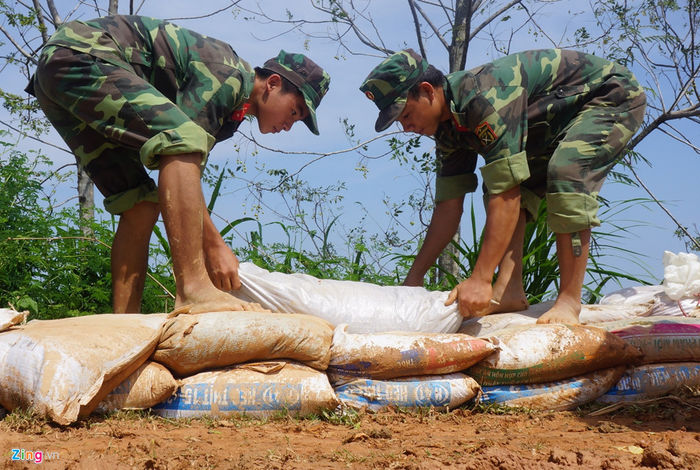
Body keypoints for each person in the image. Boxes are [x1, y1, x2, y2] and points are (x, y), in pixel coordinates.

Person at [27, 15, 330, 314]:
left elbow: (183, 175)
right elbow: (181, 151)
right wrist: (214, 247)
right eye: (294, 111)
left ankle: (125, 322)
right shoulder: (229, 75)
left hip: (57, 75)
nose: (289, 126)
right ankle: (193, 291)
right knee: (184, 141)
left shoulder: (231, 114)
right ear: (273, 84)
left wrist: (211, 242)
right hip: (83, 55)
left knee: (139, 204)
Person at [360, 49, 645, 324]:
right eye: (399, 121)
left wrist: (481, 278)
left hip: (608, 95)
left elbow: (506, 195)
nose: (406, 128)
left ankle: (569, 300)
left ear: (427, 90)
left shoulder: (484, 97)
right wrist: (413, 281)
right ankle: (510, 291)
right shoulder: (447, 130)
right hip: (548, 123)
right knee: (497, 180)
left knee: (566, 171)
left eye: (406, 115)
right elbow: (448, 207)